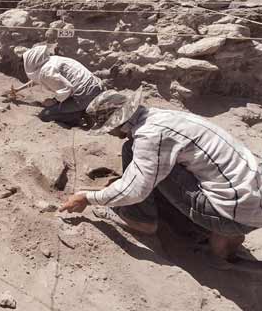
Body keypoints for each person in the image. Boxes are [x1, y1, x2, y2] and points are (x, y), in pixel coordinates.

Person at [60, 88, 262, 262]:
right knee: (156, 161)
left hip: (230, 215)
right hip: (251, 200)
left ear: (116, 124)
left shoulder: (150, 136)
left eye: (107, 129)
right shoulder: (163, 117)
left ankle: (140, 219)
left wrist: (87, 197)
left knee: (132, 151)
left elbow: (135, 191)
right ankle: (225, 236)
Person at [17, 45, 104, 127]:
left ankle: (78, 114)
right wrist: (18, 89)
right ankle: (78, 110)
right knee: (57, 105)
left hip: (84, 95)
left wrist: (53, 101)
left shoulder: (46, 71)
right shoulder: (51, 60)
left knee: (46, 115)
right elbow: (38, 79)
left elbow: (66, 90)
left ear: (30, 63)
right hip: (94, 86)